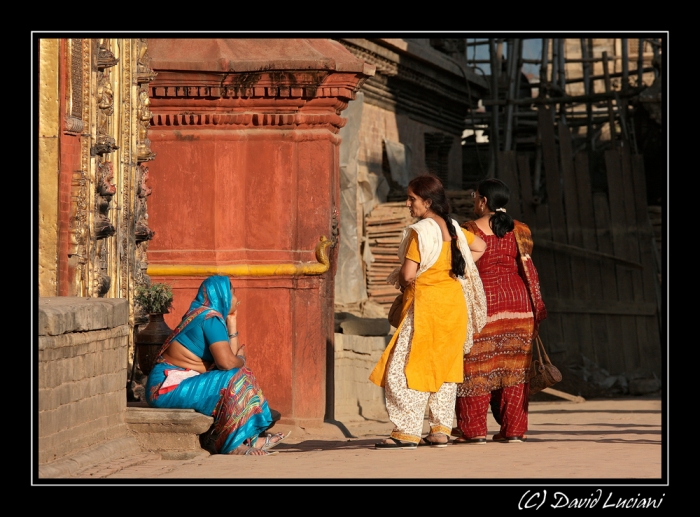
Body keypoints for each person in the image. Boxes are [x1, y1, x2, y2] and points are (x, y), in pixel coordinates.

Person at [369, 175, 488, 449]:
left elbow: (409, 274)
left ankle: (407, 432)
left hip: (426, 309)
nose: (408, 203)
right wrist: (458, 271)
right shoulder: (455, 227)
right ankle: (439, 431)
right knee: (445, 370)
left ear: (428, 202)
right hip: (453, 307)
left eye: (412, 199)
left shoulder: (420, 231)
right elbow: (480, 246)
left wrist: (410, 278)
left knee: (404, 369)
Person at [145, 275, 290, 456]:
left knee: (241, 373)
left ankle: (252, 439)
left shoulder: (208, 315)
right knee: (235, 376)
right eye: (234, 293)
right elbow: (227, 362)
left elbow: (230, 357)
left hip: (180, 383)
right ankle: (232, 444)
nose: (238, 299)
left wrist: (232, 321)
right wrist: (241, 360)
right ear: (223, 296)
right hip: (166, 388)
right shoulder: (209, 319)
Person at [454, 178, 547, 444]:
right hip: (519, 304)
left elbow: (459, 266)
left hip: (484, 304)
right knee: (515, 369)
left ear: (483, 201)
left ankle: (473, 431)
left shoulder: (468, 230)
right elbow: (527, 266)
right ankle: (514, 430)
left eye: (475, 196)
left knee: (475, 367)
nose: (473, 200)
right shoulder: (521, 229)